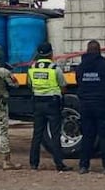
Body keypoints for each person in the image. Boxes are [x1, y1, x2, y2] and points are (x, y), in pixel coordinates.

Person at [74, 40, 105, 175]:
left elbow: (78, 82)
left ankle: (84, 166)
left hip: (86, 106)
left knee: (88, 136)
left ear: (87, 51)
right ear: (99, 50)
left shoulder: (81, 67)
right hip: (104, 106)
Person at [26, 42, 71, 172]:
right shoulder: (54, 68)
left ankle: (34, 163)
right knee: (55, 134)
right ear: (50, 54)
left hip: (37, 102)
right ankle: (59, 164)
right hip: (52, 103)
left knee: (37, 134)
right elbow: (63, 85)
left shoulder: (32, 68)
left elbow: (29, 84)